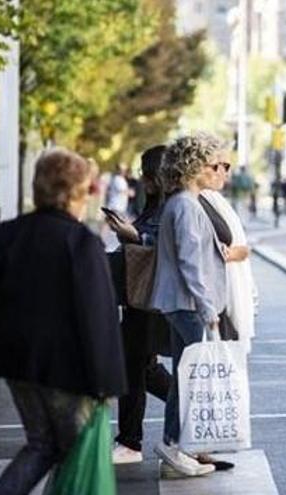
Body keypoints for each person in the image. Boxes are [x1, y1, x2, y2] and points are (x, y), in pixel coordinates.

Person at [0, 149, 126, 494]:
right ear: (77, 192)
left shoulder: (7, 234)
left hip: (18, 365)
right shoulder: (81, 242)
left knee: (42, 444)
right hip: (67, 372)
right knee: (75, 450)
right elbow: (97, 317)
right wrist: (106, 382)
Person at [150, 133, 228, 478]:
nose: (218, 171)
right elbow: (190, 261)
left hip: (183, 303)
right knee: (192, 378)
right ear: (194, 167)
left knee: (186, 374)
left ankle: (177, 444)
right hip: (187, 304)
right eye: (214, 165)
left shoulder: (183, 203)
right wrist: (207, 306)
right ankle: (173, 443)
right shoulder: (185, 205)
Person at [105, 145, 173, 464]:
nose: (142, 181)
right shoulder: (156, 205)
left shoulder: (172, 206)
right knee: (142, 368)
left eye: (146, 175)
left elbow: (163, 246)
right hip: (141, 296)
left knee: (132, 363)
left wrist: (134, 235)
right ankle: (193, 408)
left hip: (151, 299)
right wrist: (128, 234)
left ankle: (130, 441)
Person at [200, 159, 257, 353]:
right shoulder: (196, 201)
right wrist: (236, 253)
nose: (225, 173)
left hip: (222, 295)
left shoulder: (215, 200)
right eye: (221, 166)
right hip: (211, 299)